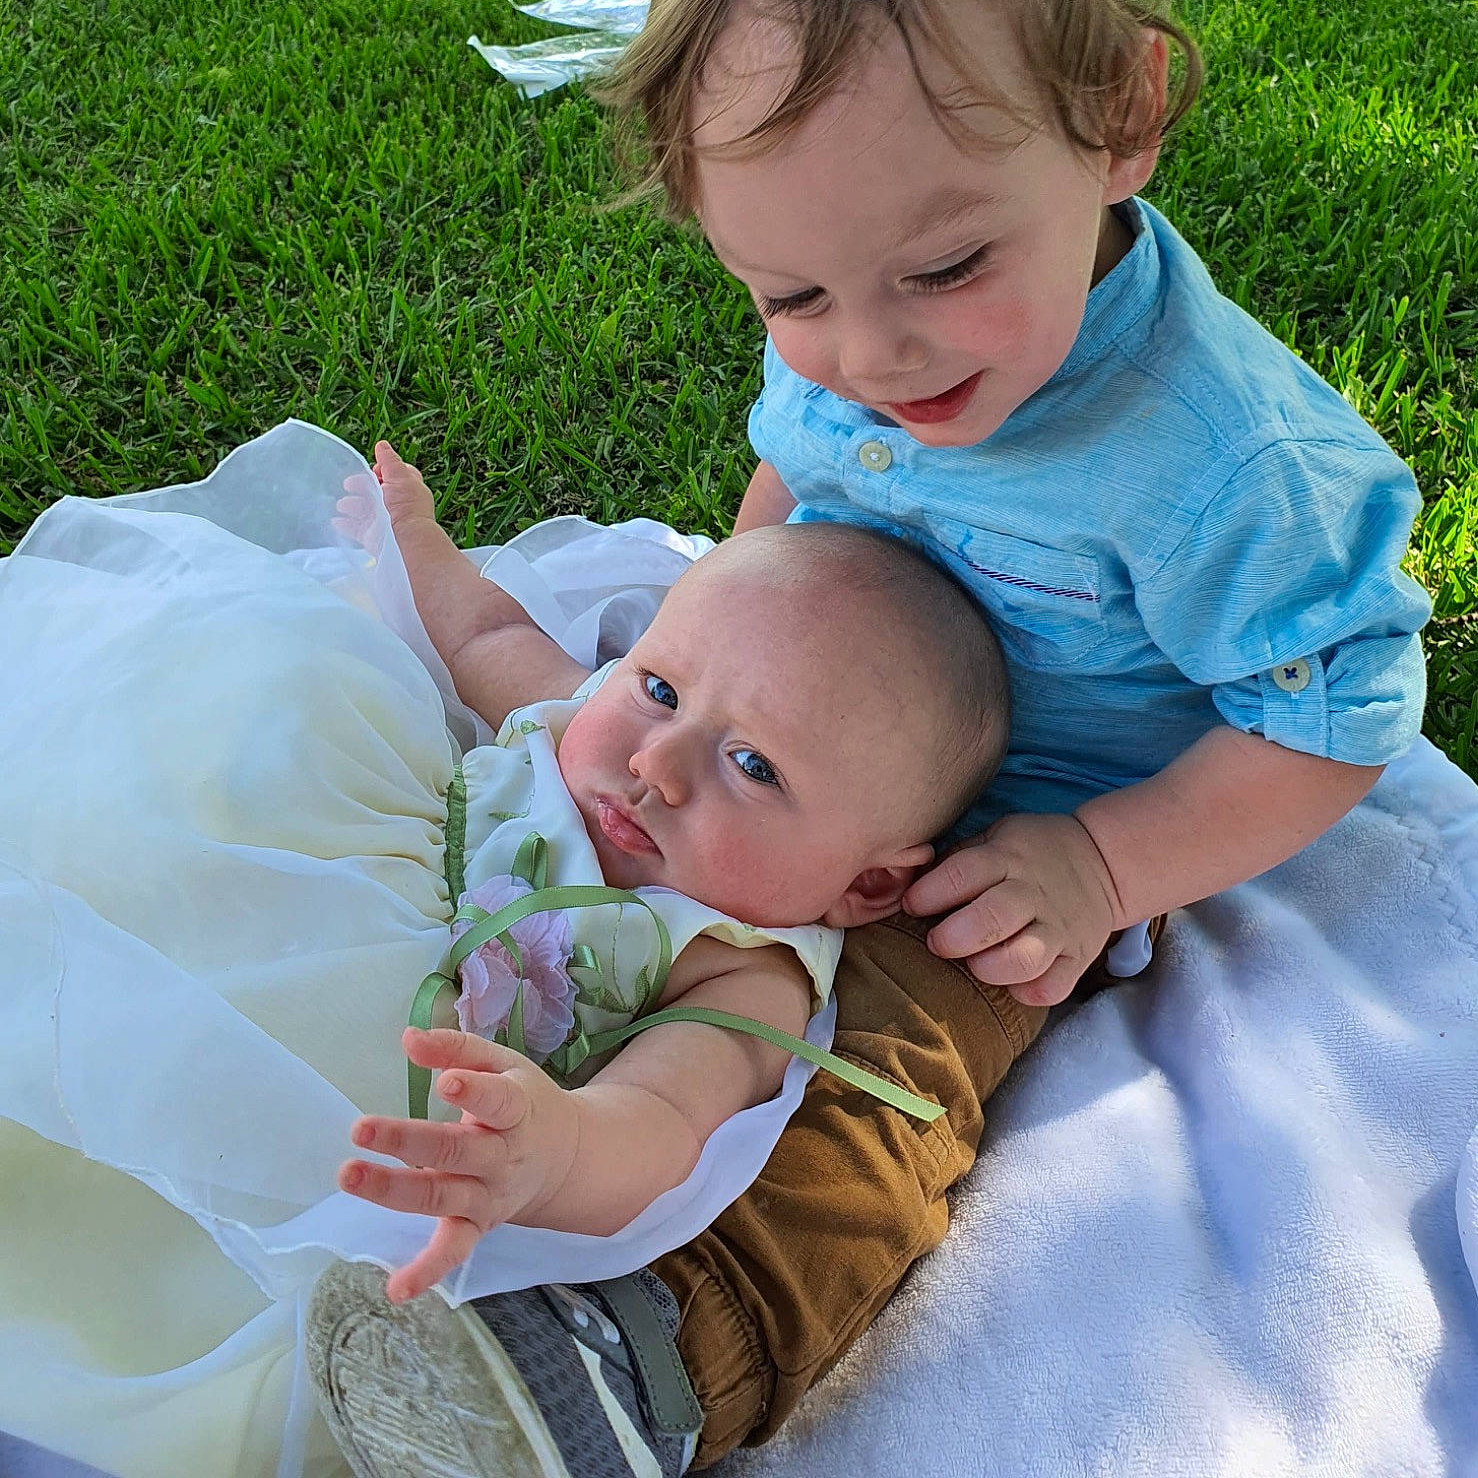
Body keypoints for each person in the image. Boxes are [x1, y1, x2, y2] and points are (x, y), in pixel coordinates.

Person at [306, 0, 1432, 1478]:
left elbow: (1338, 712)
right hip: (818, 716)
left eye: (947, 268)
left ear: (1121, 119)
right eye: (792, 291)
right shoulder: (846, 344)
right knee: (551, 752)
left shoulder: (1229, 469)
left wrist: (1108, 864)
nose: (870, 354)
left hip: (997, 841)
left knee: (879, 1074)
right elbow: (792, 483)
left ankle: (655, 1347)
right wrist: (713, 639)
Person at [0, 421, 1008, 1478]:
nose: (657, 760)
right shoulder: (577, 713)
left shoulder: (743, 961)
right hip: (325, 864)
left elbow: (666, 1118)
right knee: (161, 806)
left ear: (867, 884)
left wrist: (556, 1143)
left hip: (403, 1057)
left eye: (753, 764)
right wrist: (417, 541)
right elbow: (481, 632)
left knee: (166, 1130)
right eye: (661, 687)